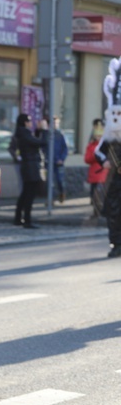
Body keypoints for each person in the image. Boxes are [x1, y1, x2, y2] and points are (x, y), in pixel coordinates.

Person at [96, 58, 121, 258]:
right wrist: (104, 160)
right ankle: (116, 243)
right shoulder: (110, 138)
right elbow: (98, 152)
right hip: (114, 182)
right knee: (113, 212)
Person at [13, 113, 48, 229]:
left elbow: (34, 143)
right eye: (28, 121)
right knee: (30, 194)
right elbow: (41, 143)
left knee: (25, 193)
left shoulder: (22, 133)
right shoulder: (24, 133)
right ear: (24, 122)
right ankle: (27, 220)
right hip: (30, 166)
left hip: (28, 165)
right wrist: (44, 131)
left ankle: (18, 218)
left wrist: (38, 131)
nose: (30, 123)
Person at [85, 118, 108, 218]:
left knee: (102, 195)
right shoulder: (91, 146)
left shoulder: (107, 145)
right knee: (94, 195)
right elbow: (87, 159)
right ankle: (96, 212)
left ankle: (103, 212)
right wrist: (95, 154)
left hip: (104, 175)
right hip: (94, 175)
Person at [43, 116, 69, 203]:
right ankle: (51, 199)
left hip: (58, 162)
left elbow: (65, 149)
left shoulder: (60, 135)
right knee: (50, 183)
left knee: (60, 180)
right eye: (54, 123)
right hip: (49, 162)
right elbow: (43, 147)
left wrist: (62, 159)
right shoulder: (46, 135)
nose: (55, 125)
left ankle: (62, 194)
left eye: (56, 123)